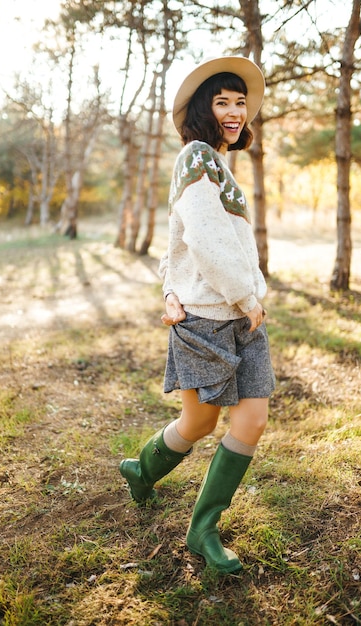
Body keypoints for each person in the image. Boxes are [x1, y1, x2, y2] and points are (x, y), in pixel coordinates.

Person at [119, 56, 275, 575]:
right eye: (222, 102)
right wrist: (239, 296)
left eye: (240, 103)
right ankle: (142, 470)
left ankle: (203, 528)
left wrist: (251, 298)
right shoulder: (194, 157)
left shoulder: (219, 163)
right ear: (202, 110)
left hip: (244, 316)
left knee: (251, 420)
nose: (235, 111)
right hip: (208, 319)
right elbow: (201, 242)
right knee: (200, 421)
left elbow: (179, 240)